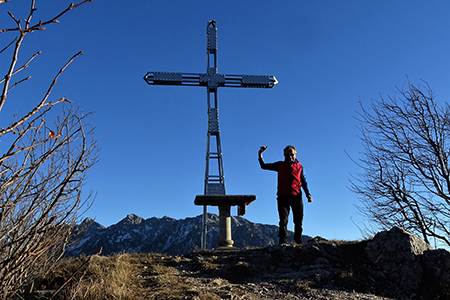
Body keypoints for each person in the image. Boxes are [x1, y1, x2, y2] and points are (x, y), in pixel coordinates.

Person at [258, 145, 313, 245]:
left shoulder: (300, 167)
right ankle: (282, 242)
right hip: (283, 197)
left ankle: (298, 241)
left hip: (296, 196)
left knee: (298, 220)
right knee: (283, 221)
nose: (290, 156)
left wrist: (308, 194)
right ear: (284, 155)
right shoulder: (280, 165)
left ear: (295, 154)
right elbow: (264, 166)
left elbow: (304, 181)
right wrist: (260, 154)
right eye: (287, 155)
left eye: (292, 154)